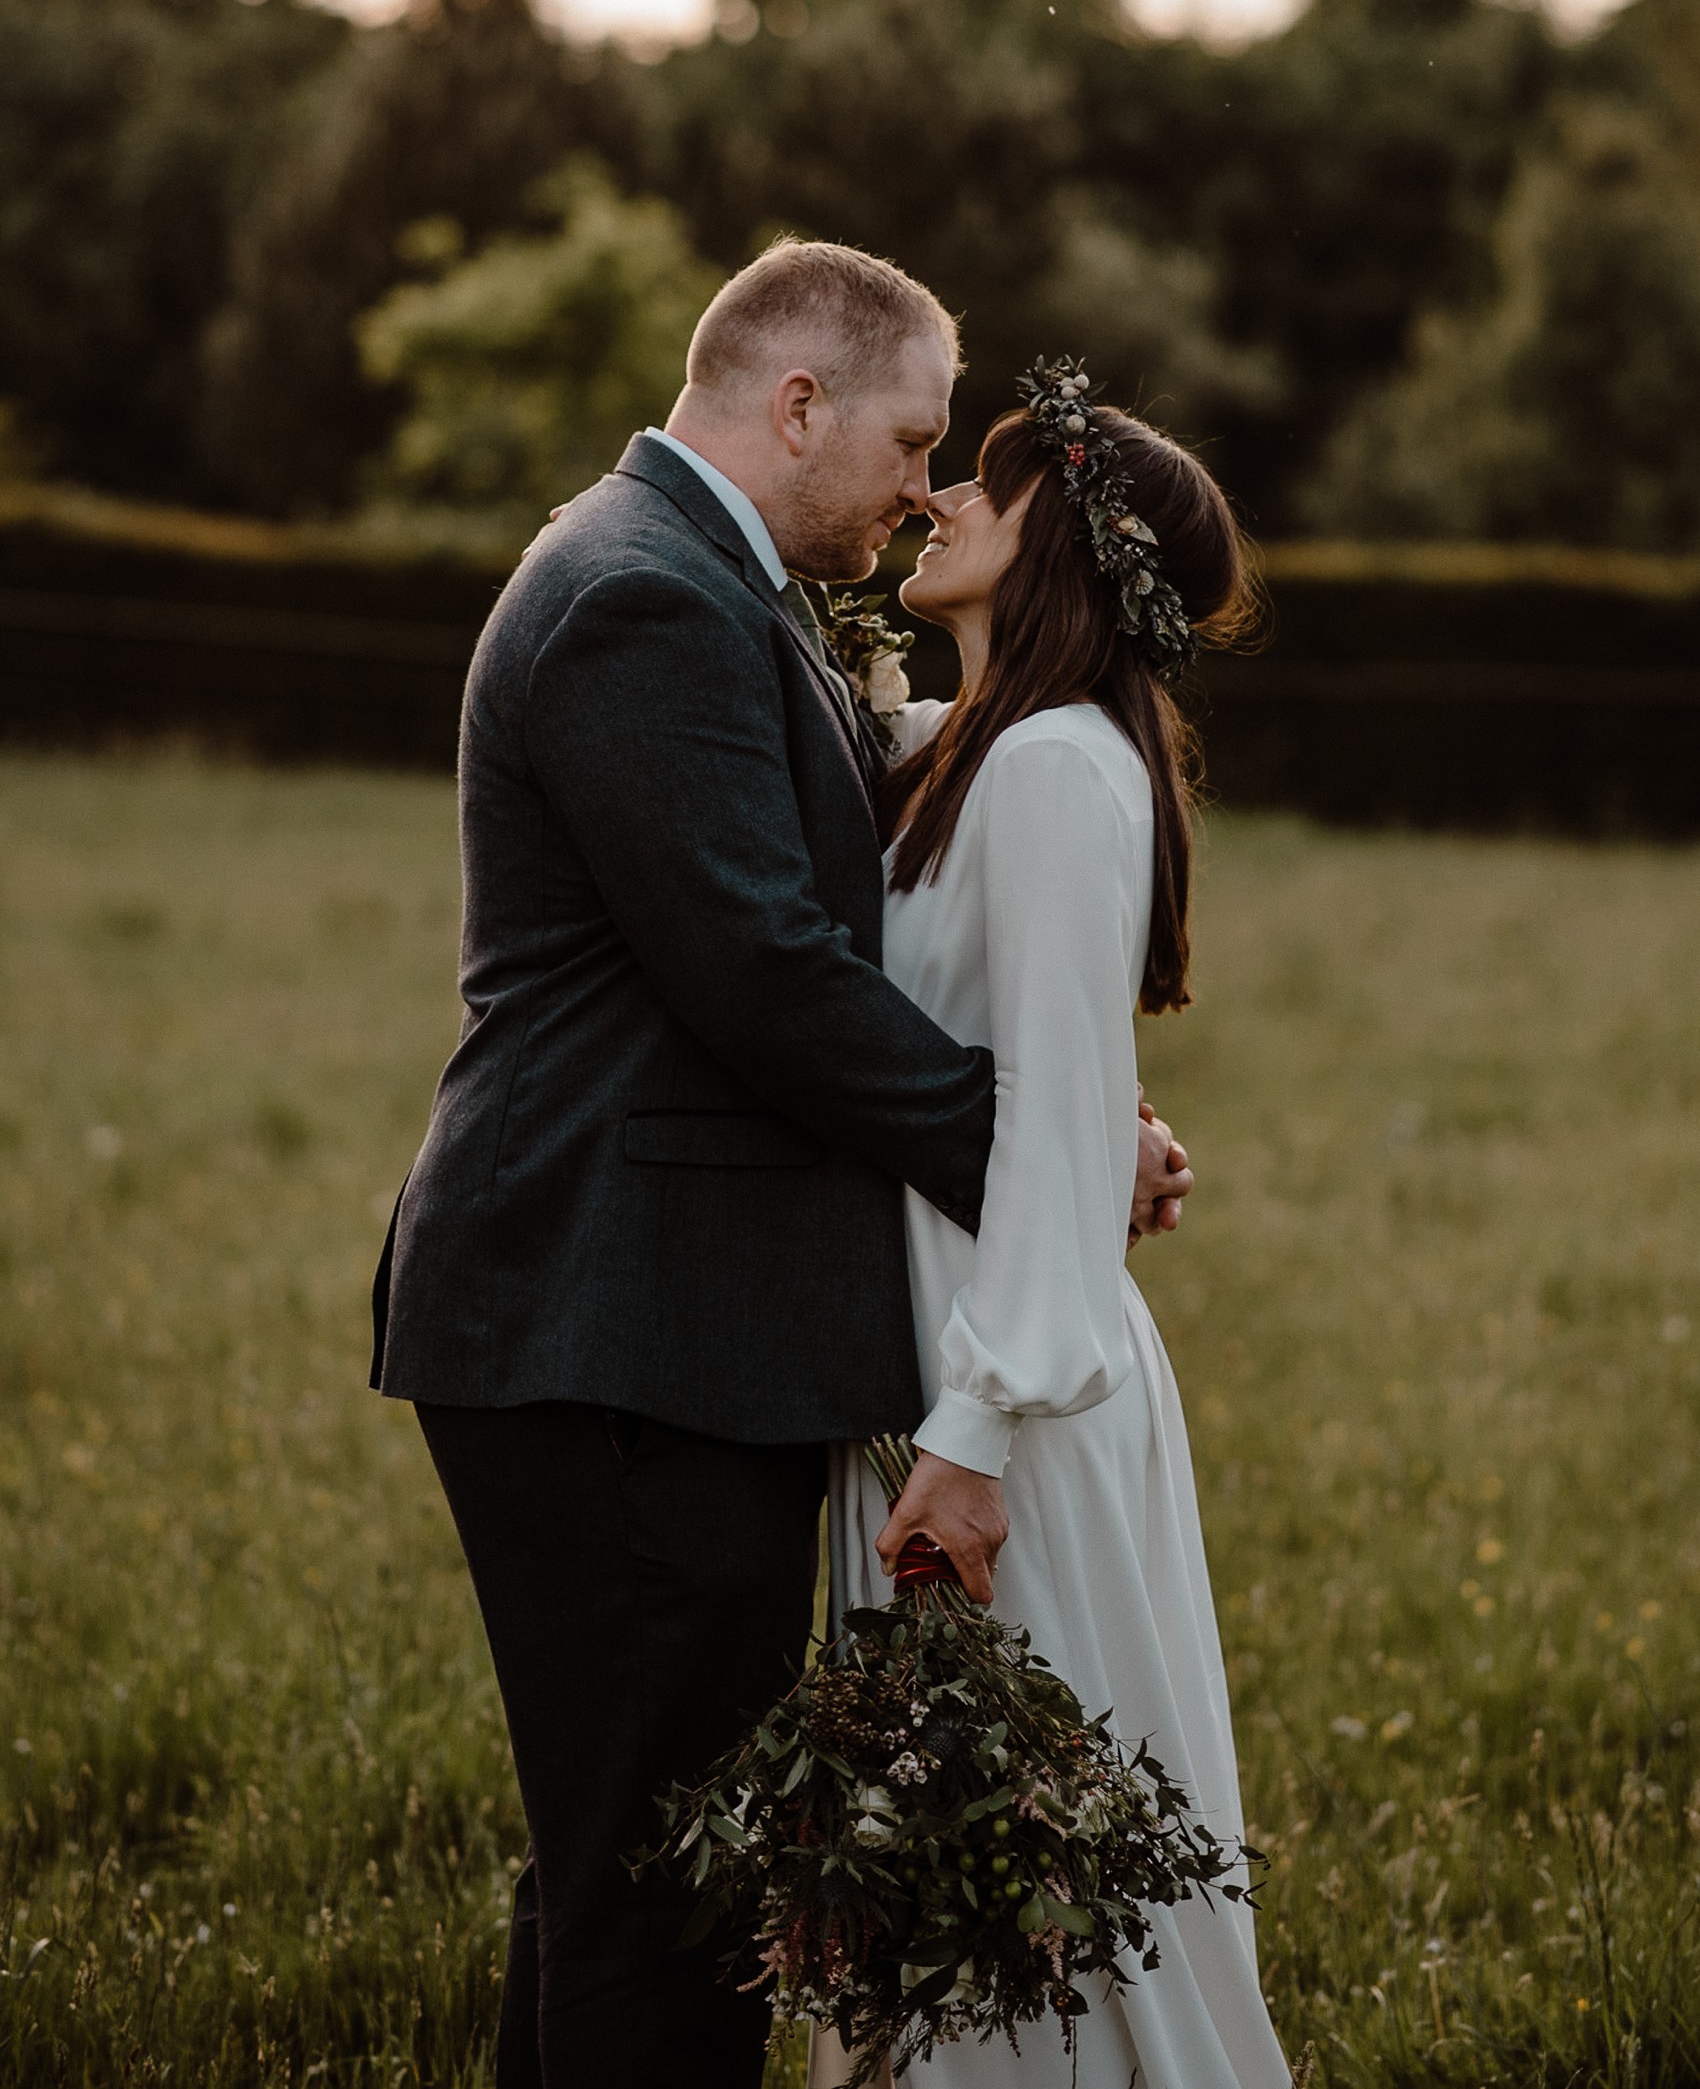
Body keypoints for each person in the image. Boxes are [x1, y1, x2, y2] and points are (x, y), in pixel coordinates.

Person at [367, 246, 1194, 2089]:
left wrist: (1077, 1119)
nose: (924, 483)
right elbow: (761, 970)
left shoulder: (697, 585)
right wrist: (1038, 1146)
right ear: (797, 404)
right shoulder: (639, 597)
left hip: (663, 1320)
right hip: (617, 1318)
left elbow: (867, 909)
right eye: (909, 437)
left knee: (639, 1877)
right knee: (661, 1903)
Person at [816, 369, 1291, 2088]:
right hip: (958, 1360)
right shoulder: (978, 752)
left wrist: (976, 1432)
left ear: (1059, 549)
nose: (941, 498)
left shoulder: (1048, 777)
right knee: (959, 1862)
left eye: (984, 485)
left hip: (1006, 1397)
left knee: (1037, 1872)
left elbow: (1060, 1094)